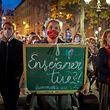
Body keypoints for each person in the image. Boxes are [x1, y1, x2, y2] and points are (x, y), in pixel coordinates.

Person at [0, 22, 23, 110]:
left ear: (13, 31)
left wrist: (19, 77)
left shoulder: (19, 44)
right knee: (6, 101)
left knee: (12, 102)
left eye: (9, 29)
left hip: (14, 80)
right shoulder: (0, 44)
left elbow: (22, 62)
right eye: (5, 28)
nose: (7, 31)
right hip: (2, 80)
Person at [98, 29, 110, 110]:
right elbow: (100, 67)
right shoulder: (102, 51)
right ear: (105, 38)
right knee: (104, 104)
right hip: (106, 80)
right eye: (109, 36)